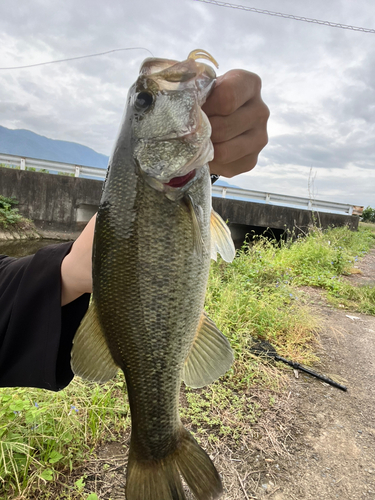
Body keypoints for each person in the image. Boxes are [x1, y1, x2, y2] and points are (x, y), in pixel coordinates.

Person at [0, 69, 269, 391]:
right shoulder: (166, 174)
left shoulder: (168, 177)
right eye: (145, 101)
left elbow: (155, 189)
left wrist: (68, 271)